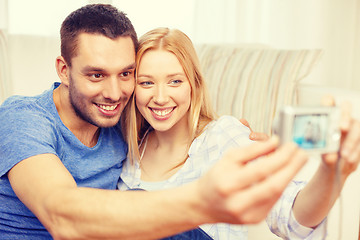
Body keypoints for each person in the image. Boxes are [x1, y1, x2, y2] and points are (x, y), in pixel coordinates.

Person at [0, 4, 309, 240]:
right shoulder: (23, 118)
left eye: (125, 74)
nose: (113, 93)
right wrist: (202, 202)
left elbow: (175, 118)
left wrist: (233, 137)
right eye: (96, 75)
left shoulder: (120, 126)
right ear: (64, 70)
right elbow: (62, 216)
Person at [118, 27, 360, 239]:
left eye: (175, 82)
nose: (160, 98)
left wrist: (332, 172)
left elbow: (292, 221)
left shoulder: (224, 135)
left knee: (140, 206)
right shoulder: (127, 150)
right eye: (146, 83)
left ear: (195, 85)